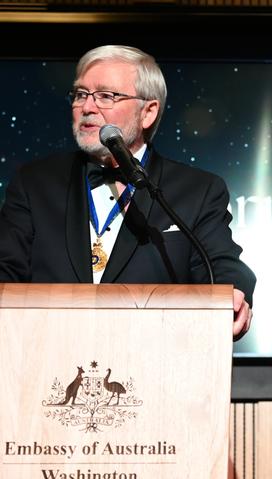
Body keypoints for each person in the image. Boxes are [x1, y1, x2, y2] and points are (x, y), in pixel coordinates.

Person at [0, 45, 255, 338]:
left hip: (152, 360)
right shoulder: (35, 183)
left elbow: (221, 266)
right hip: (46, 358)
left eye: (106, 96)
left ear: (148, 112)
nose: (87, 107)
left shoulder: (198, 190)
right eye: (81, 94)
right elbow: (5, 267)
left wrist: (233, 294)